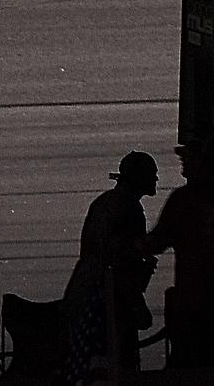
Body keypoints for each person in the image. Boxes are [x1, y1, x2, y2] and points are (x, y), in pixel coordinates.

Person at [144, 136, 214, 367]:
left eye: (189, 158)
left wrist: (130, 245)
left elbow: (157, 242)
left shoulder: (184, 201)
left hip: (195, 308)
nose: (184, 164)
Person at [59, 151, 158, 378]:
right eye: (152, 175)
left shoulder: (108, 203)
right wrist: (134, 301)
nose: (156, 180)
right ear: (139, 178)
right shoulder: (127, 208)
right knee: (108, 365)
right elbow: (115, 259)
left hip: (91, 294)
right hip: (104, 301)